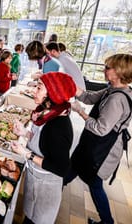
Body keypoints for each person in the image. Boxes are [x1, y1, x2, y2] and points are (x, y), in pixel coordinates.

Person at [64, 54, 132, 224]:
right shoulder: (113, 89)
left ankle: (107, 221)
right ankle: (55, 187)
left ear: (118, 72)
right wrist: (67, 84)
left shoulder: (117, 99)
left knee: (94, 185)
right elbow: (88, 96)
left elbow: (100, 129)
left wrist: (80, 111)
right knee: (73, 169)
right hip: (92, 147)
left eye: (108, 67)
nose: (104, 69)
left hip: (101, 152)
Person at [11, 72, 76, 224]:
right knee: (30, 216)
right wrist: (26, 133)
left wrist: (27, 154)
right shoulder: (47, 113)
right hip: (35, 178)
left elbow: (61, 168)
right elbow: (44, 142)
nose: (34, 91)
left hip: (46, 185)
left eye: (39, 88)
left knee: (37, 220)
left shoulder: (59, 126)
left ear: (52, 94)